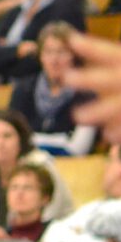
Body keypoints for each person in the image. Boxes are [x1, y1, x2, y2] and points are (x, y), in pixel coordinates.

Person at [0, 108, 73, 239]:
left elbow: (50, 217)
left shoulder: (41, 165)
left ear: (20, 139)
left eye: (7, 136)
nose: (0, 144)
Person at [14, 23, 99, 154]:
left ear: (73, 55)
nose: (54, 60)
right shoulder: (24, 89)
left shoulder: (87, 94)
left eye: (61, 52)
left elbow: (78, 149)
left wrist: (35, 141)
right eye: (48, 52)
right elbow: (14, 139)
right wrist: (61, 141)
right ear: (40, 56)